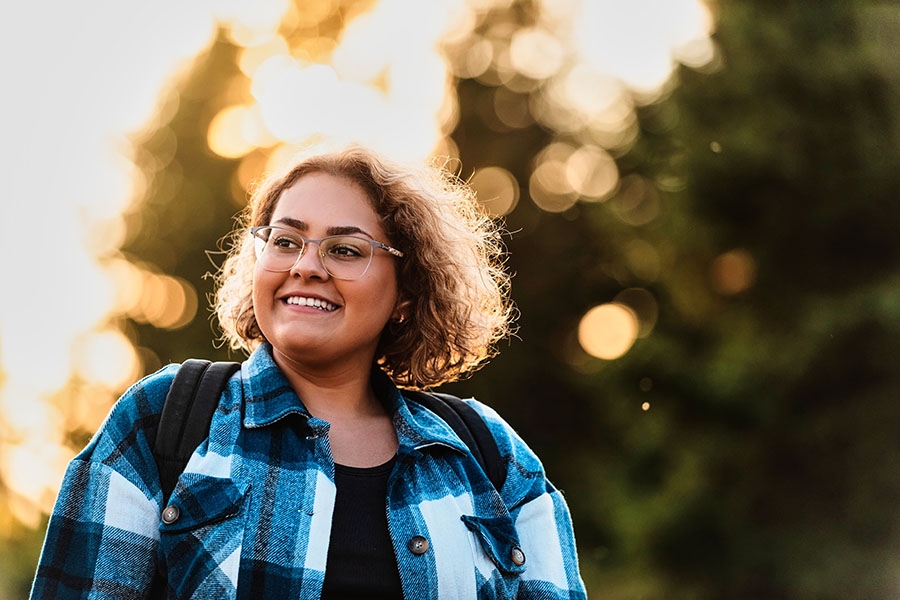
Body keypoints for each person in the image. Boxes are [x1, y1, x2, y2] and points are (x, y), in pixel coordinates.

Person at [30, 145, 587, 599]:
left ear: (407, 292)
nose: (305, 266)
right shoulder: (161, 422)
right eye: (286, 240)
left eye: (345, 250)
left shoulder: (487, 456)